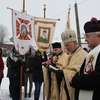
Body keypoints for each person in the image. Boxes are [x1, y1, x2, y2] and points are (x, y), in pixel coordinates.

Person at [71, 17, 100, 100]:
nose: (85, 39)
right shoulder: (92, 53)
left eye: (87, 36)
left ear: (98, 35)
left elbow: (96, 80)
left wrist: (75, 80)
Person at [60, 29, 87, 100]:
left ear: (75, 42)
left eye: (67, 45)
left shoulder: (83, 54)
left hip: (76, 92)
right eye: (65, 45)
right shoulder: (70, 54)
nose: (66, 47)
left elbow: (77, 73)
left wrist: (63, 72)